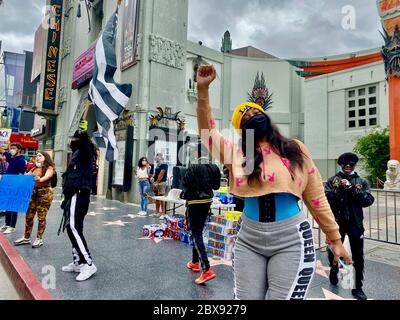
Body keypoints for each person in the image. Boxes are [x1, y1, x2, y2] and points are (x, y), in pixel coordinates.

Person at [195, 64, 351, 300]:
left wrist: (335, 239)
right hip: (248, 238)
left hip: (291, 239)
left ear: (267, 117)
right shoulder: (236, 153)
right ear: (242, 130)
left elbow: (316, 196)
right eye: (244, 117)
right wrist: (203, 91)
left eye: (255, 112)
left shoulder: (295, 149)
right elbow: (208, 131)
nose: (251, 115)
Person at [325, 152, 374, 300]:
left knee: (358, 255)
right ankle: (334, 270)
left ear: (354, 165)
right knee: (333, 251)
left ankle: (358, 286)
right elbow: (326, 199)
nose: (347, 166)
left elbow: (368, 201)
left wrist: (352, 189)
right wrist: (340, 191)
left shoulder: (361, 181)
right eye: (345, 164)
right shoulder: (332, 180)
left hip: (355, 223)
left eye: (350, 164)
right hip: (337, 223)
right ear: (340, 164)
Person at [60, 123, 98, 281]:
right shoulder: (76, 154)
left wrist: (83, 132)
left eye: (74, 137)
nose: (71, 140)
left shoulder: (85, 151)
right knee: (72, 228)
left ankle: (88, 264)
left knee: (74, 228)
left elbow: (83, 143)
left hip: (80, 194)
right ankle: (78, 262)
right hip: (72, 195)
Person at [181, 144, 221, 285]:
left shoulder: (193, 166)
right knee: (198, 231)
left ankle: (206, 269)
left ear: (197, 153)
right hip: (208, 201)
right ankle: (195, 262)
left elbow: (185, 183)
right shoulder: (214, 167)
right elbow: (216, 186)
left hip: (194, 202)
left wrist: (184, 194)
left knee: (195, 232)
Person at [14, 151, 55, 248]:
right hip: (33, 192)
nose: (37, 157)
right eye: (36, 155)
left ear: (45, 157)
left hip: (45, 194)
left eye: (40, 155)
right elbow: (26, 176)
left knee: (41, 217)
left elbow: (47, 176)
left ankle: (39, 238)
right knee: (29, 215)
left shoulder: (49, 168)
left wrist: (40, 179)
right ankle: (26, 237)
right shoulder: (34, 168)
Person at [0, 143, 27, 234]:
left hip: (15, 184)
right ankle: (7, 224)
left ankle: (12, 226)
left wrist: (18, 186)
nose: (11, 150)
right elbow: (2, 150)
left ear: (19, 150)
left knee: (13, 206)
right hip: (7, 183)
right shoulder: (10, 157)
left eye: (14, 148)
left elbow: (21, 174)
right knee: (7, 204)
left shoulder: (21, 160)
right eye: (11, 148)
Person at [152, 153, 168, 219]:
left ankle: (163, 213)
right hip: (156, 183)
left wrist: (157, 182)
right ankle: (157, 211)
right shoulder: (158, 165)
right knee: (157, 198)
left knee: (162, 198)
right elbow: (156, 173)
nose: (155, 158)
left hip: (161, 183)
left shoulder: (164, 164)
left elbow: (161, 174)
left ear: (160, 157)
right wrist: (153, 177)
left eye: (157, 157)